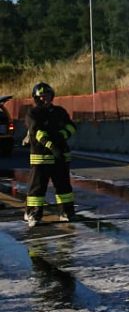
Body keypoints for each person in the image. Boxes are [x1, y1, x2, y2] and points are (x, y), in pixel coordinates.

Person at [24, 82, 77, 228]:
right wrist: (52, 146)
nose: (44, 98)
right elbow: (38, 133)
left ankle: (66, 212)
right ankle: (33, 215)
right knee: (37, 189)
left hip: (60, 157)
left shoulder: (59, 111)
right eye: (41, 96)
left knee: (64, 188)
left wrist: (61, 135)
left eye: (47, 95)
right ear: (36, 98)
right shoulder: (33, 113)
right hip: (41, 158)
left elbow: (71, 126)